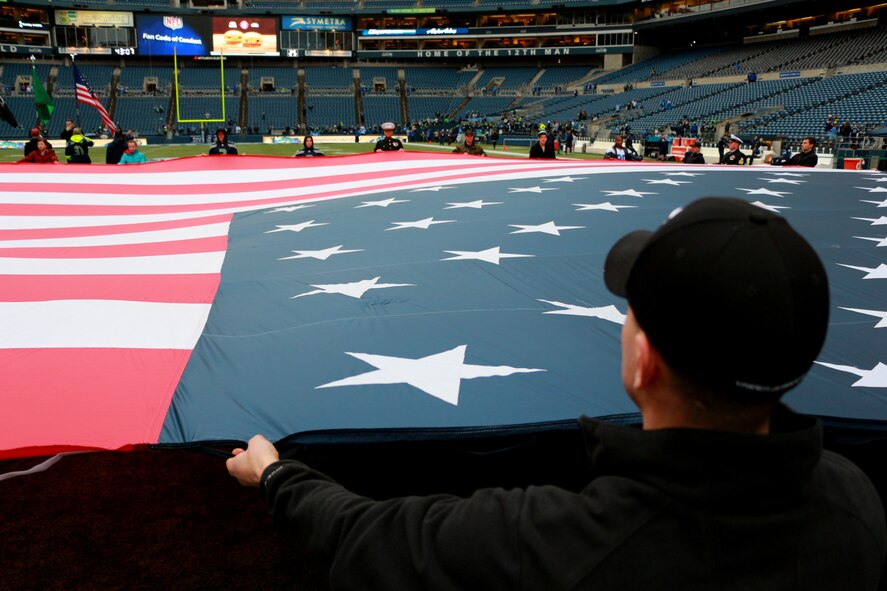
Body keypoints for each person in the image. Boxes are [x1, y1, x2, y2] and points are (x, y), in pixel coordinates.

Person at [228, 197, 886, 590]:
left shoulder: (549, 540)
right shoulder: (854, 501)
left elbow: (370, 535)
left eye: (630, 314)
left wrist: (276, 476)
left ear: (643, 361)